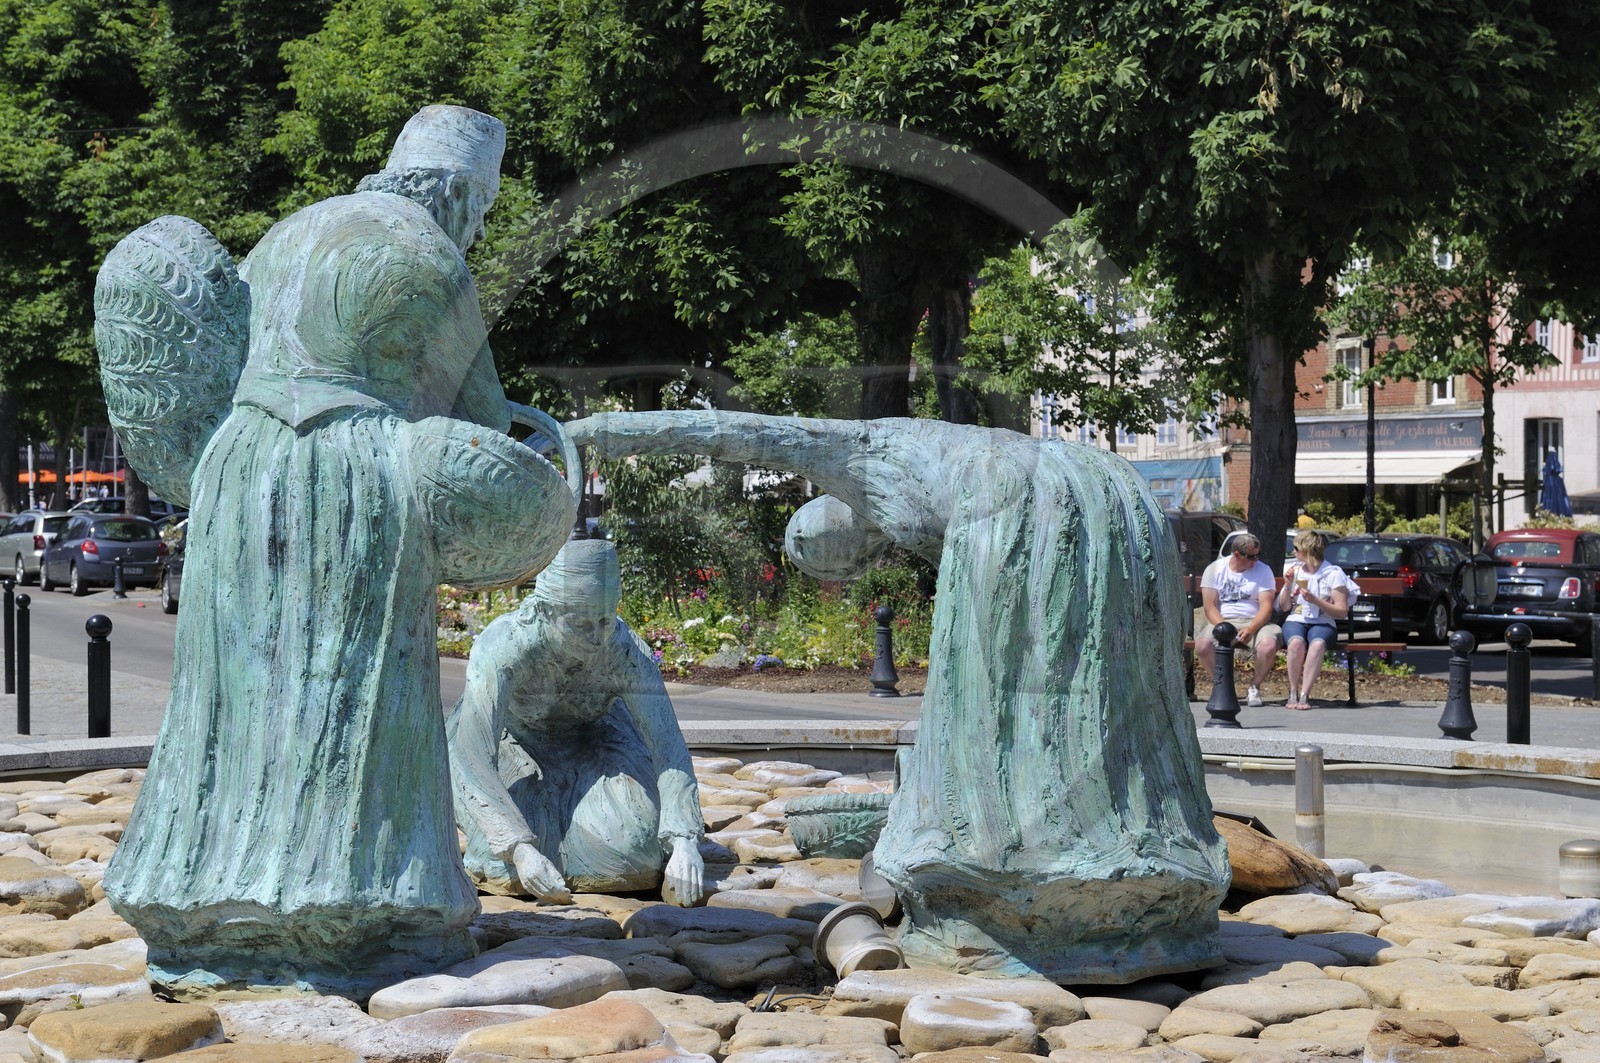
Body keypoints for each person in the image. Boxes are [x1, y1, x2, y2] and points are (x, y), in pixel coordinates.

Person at [100, 106, 576, 996]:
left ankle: (202, 896)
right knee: (356, 692)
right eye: (481, 204)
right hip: (351, 475)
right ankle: (360, 903)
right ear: (457, 188)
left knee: (233, 695)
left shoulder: (288, 230)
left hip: (237, 469)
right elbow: (472, 423)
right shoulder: (434, 255)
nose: (478, 224)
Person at [568, 411, 1228, 983]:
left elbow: (728, 433)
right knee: (1111, 709)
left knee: (996, 713)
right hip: (1110, 492)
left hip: (1018, 502)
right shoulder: (926, 471)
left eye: (827, 552)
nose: (845, 559)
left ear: (828, 524)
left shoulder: (869, 451)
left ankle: (1002, 886)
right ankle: (1152, 874)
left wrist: (595, 433)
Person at [447, 538, 705, 907]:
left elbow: (666, 745)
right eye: (580, 623)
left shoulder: (625, 649)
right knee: (502, 865)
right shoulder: (503, 648)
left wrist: (684, 841)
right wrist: (519, 849)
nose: (597, 636)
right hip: (512, 739)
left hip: (592, 740)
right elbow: (474, 755)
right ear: (544, 611)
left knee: (633, 857)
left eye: (605, 619)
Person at [1196, 533, 1282, 707]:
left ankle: (1254, 686)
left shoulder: (1263, 570)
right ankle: (1222, 686)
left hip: (1255, 620)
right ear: (1236, 554)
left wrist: (1251, 628)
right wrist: (1225, 627)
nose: (1255, 561)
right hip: (1223, 619)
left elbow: (1266, 608)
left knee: (1268, 646)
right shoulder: (1214, 569)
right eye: (1251, 557)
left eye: (1257, 556)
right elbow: (1209, 607)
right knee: (1202, 646)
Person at [1275, 529, 1356, 710]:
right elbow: (1285, 606)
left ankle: (1305, 694)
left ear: (1307, 550)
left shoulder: (1333, 574)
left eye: (1296, 548)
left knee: (1317, 644)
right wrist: (1287, 586)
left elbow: (1341, 611)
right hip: (1297, 618)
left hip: (1323, 621)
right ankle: (1293, 692)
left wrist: (1316, 601)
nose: (1293, 552)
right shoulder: (1295, 571)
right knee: (1296, 643)